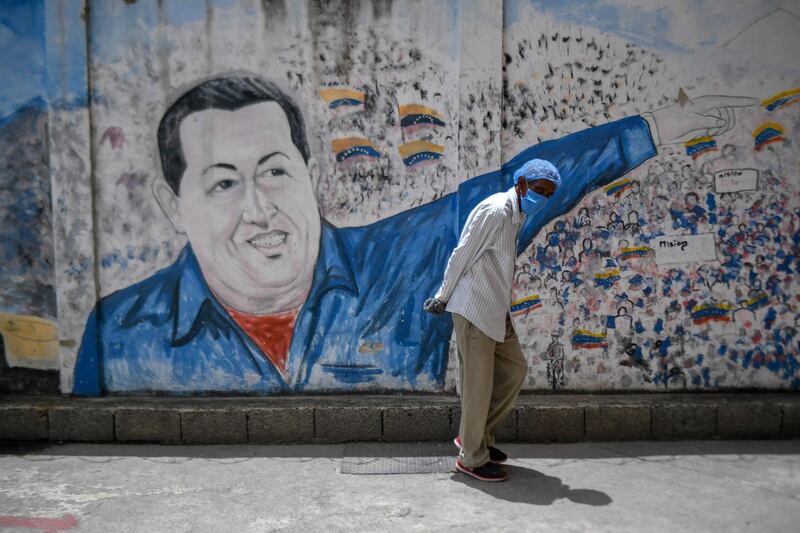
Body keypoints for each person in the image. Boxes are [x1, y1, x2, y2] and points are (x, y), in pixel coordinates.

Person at [72, 73, 752, 395]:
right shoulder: (119, 333)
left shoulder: (401, 262)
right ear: (173, 205)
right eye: (222, 182)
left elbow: (525, 183)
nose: (259, 208)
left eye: (275, 171)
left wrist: (652, 131)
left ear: (313, 177)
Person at [424, 159, 560, 482]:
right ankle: (471, 457)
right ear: (522, 183)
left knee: (514, 370)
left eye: (548, 194)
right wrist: (443, 296)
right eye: (539, 189)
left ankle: (476, 436)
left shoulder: (516, 214)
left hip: (495, 309)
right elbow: (463, 252)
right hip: (473, 308)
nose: (542, 197)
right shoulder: (496, 211)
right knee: (477, 386)